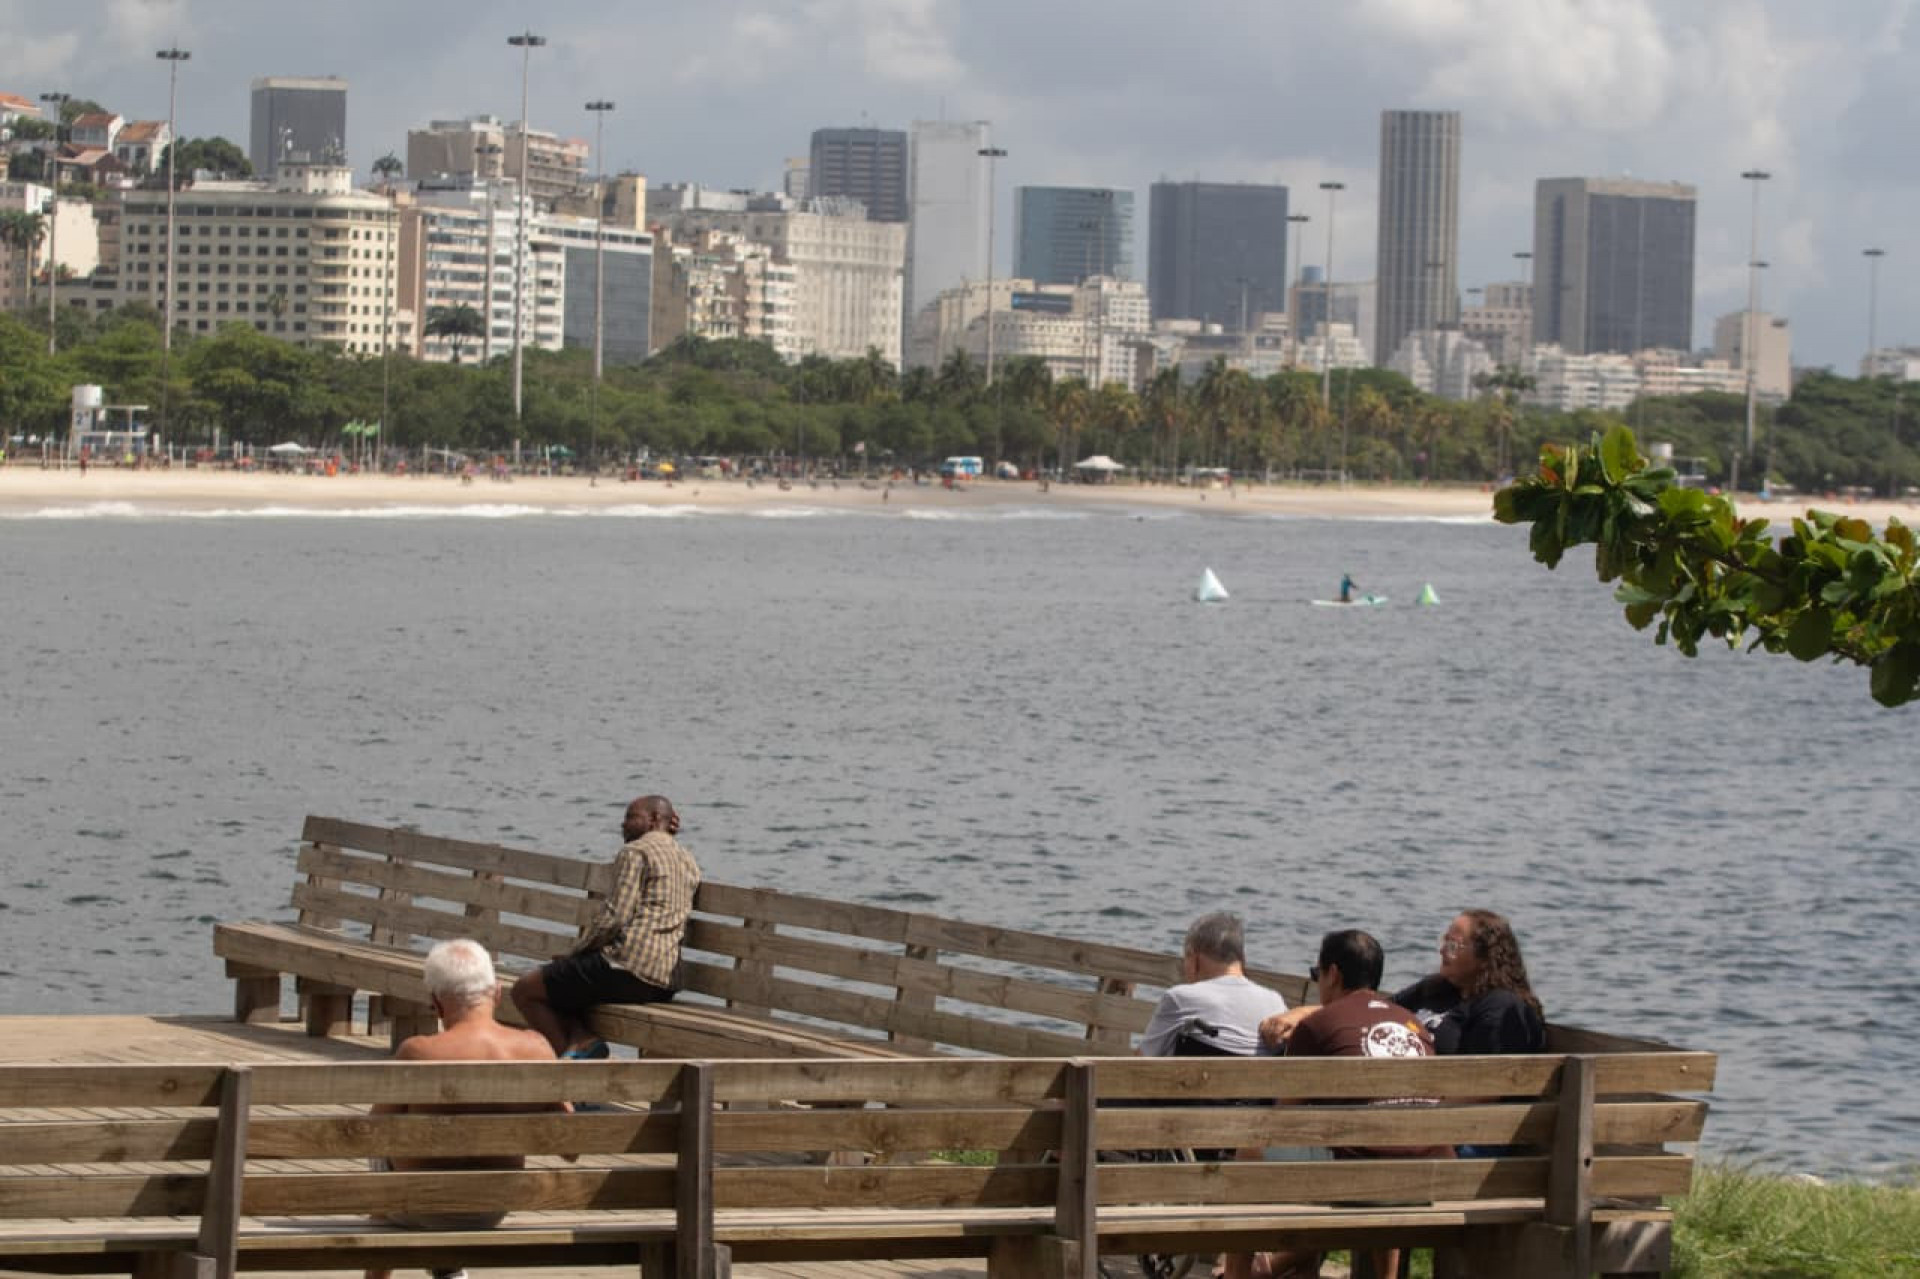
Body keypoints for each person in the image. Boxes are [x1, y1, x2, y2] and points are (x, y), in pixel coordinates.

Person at [1236, 930, 1446, 1279]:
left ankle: (1235, 1273)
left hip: (1357, 1177)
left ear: (1333, 973)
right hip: (1427, 1175)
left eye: (1317, 974)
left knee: (1249, 1151)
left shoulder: (1318, 1024)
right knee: (1387, 1153)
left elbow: (1283, 1120)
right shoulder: (1415, 1026)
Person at [366, 939, 566, 1279]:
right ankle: (448, 1271)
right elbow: (571, 1143)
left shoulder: (418, 1052)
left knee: (382, 1157)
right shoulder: (536, 1048)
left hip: (422, 1206)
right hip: (493, 1205)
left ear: (436, 1004)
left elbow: (373, 1133)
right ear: (497, 993)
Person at [512, 795, 699, 1058]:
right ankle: (581, 1038)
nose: (623, 825)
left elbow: (615, 917)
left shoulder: (636, 851)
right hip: (664, 982)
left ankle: (572, 1066)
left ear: (655, 819)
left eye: (631, 818)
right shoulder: (688, 860)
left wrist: (575, 953)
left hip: (628, 970)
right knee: (569, 978)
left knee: (525, 990)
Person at [1394, 909, 1546, 1056]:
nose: (1442, 951)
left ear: (1485, 958)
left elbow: (1484, 1071)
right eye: (1444, 942)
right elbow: (1382, 1010)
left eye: (1452, 946)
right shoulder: (1435, 987)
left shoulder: (1499, 1006)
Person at [1138, 911, 1288, 1058]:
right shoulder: (1276, 1003)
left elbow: (1139, 1064)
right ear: (1242, 959)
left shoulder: (1180, 998)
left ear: (1194, 958)